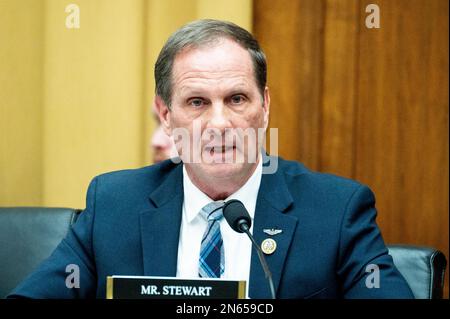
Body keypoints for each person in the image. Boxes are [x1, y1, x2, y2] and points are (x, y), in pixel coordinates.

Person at [8, 19, 413, 299]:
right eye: (197, 102)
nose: (219, 123)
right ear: (166, 115)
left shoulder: (336, 210)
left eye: (236, 99)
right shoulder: (114, 204)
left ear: (265, 106)